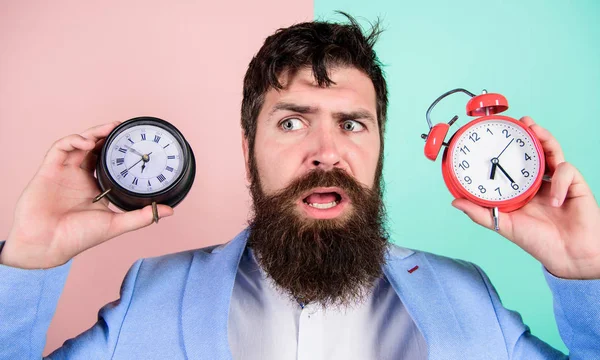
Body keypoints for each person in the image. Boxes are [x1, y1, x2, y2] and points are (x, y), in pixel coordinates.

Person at [1, 14, 599, 360]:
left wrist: (586, 272)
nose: (325, 152)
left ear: (380, 149)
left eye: (352, 123)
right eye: (290, 122)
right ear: (247, 150)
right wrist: (31, 256)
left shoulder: (471, 302)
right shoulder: (150, 297)